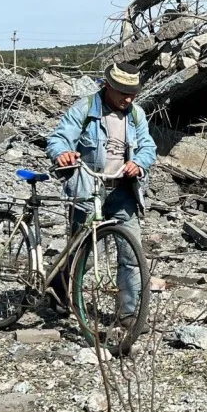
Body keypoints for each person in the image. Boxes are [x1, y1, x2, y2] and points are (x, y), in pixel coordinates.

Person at [45, 62, 157, 327]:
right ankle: (60, 290)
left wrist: (139, 163)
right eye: (122, 93)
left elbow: (149, 147)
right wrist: (63, 153)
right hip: (88, 190)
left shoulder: (136, 115)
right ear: (108, 86)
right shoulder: (84, 109)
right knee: (80, 250)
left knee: (131, 252)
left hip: (123, 192)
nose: (127, 99)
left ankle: (129, 313)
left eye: (132, 94)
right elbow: (59, 138)